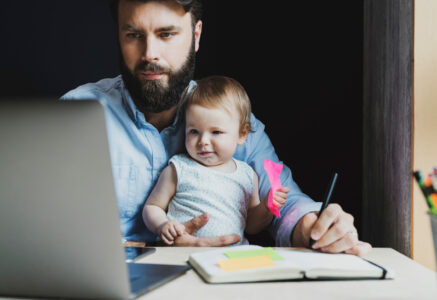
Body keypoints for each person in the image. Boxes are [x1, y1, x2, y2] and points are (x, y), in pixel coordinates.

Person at [61, 0, 371, 259]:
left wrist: (313, 226)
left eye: (166, 34)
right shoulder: (73, 115)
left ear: (196, 36)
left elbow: (285, 201)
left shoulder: (230, 120)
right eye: (133, 35)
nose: (149, 54)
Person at [143, 76, 290, 245]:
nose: (203, 141)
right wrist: (162, 225)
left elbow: (251, 226)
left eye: (216, 132)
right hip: (183, 253)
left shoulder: (247, 176)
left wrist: (266, 207)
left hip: (231, 258)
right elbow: (152, 207)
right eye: (194, 131)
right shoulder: (179, 168)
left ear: (242, 134)